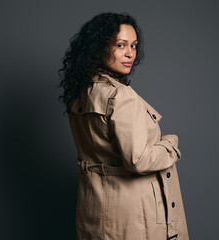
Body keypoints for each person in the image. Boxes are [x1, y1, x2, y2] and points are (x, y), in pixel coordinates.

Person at [58, 12, 189, 240]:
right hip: (134, 215)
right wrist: (170, 144)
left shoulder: (79, 92)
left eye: (134, 45)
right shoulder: (120, 96)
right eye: (120, 45)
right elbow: (138, 160)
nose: (130, 53)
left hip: (94, 208)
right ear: (99, 47)